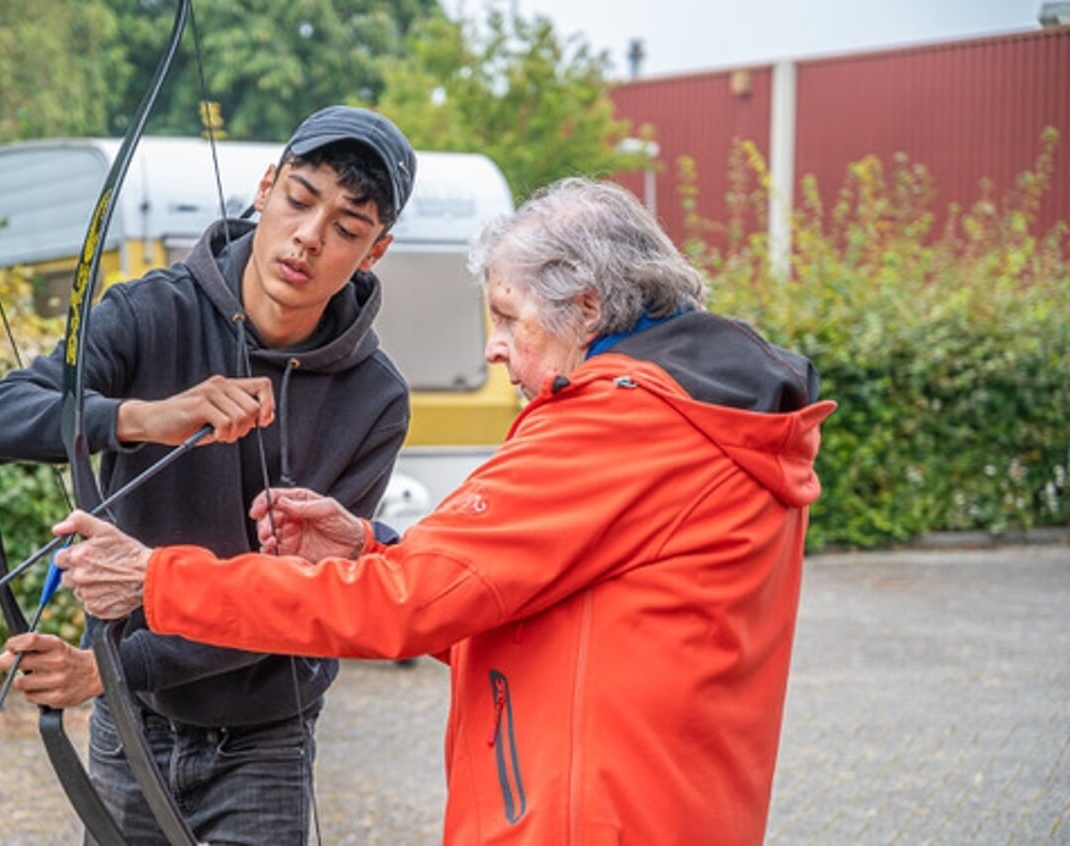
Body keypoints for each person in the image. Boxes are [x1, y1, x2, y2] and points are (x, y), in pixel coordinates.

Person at [51, 177, 838, 845]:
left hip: (584, 820)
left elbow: (408, 608)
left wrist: (158, 579)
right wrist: (366, 548)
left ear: (588, 309)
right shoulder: (699, 416)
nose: (494, 348)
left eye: (507, 315)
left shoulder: (624, 427)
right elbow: (542, 619)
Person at [0, 105, 417, 845]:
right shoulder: (150, 312)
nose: (309, 236)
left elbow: (306, 602)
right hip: (133, 724)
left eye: (346, 227)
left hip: (265, 732)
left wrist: (106, 670)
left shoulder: (375, 398)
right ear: (265, 189)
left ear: (375, 251)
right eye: (299, 200)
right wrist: (143, 416)